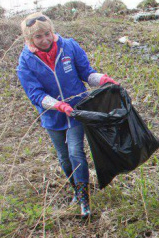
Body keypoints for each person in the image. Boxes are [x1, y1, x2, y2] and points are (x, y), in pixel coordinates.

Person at [16, 12, 118, 218]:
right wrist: (58, 106)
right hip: (52, 116)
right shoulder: (26, 61)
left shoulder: (69, 46)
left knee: (75, 152)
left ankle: (84, 199)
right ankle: (75, 188)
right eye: (38, 37)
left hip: (77, 111)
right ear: (29, 39)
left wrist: (103, 79)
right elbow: (35, 94)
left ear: (52, 31)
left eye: (47, 34)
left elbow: (86, 73)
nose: (44, 39)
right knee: (63, 157)